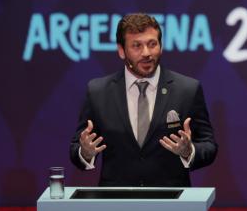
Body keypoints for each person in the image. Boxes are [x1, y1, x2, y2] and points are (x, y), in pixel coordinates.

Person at [69, 13, 217, 187]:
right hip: (117, 201)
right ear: (121, 51)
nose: (146, 53)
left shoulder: (187, 89)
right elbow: (75, 149)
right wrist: (85, 153)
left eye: (152, 44)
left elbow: (209, 146)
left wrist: (189, 150)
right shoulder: (98, 92)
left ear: (161, 47)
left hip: (171, 202)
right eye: (137, 46)